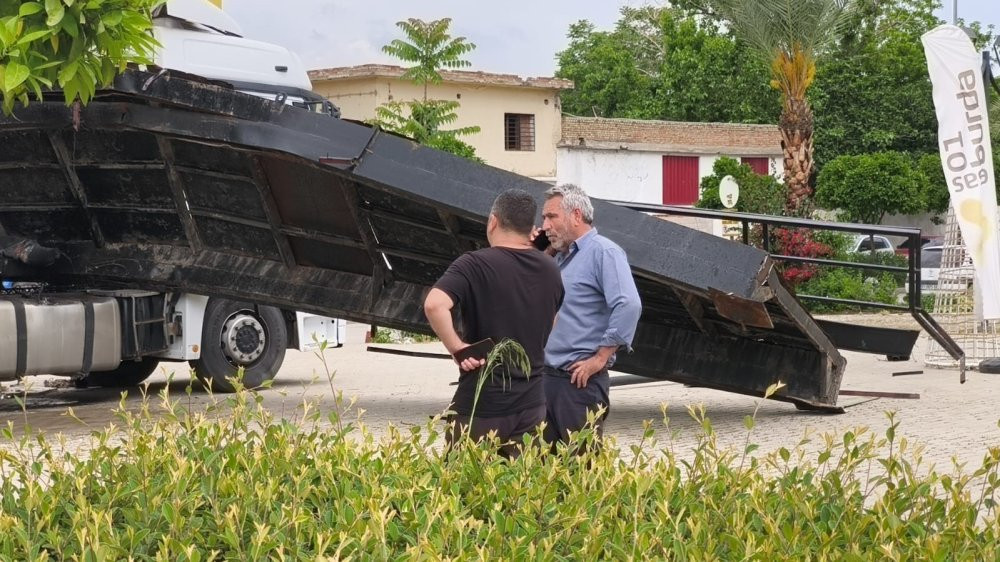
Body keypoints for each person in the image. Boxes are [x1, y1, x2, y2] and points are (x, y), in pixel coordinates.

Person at [424, 188, 563, 458]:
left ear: (493, 221)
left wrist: (457, 348)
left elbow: (434, 304)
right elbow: (552, 320)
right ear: (530, 228)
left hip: (482, 403)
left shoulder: (473, 264)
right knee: (521, 489)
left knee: (466, 490)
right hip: (532, 403)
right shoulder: (551, 269)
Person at [538, 184, 642, 446]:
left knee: (579, 470)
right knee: (543, 472)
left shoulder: (604, 252)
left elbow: (628, 305)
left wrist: (600, 358)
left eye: (551, 217)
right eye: (543, 218)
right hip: (546, 380)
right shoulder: (558, 258)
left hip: (578, 385)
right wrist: (539, 252)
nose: (545, 225)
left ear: (576, 215)